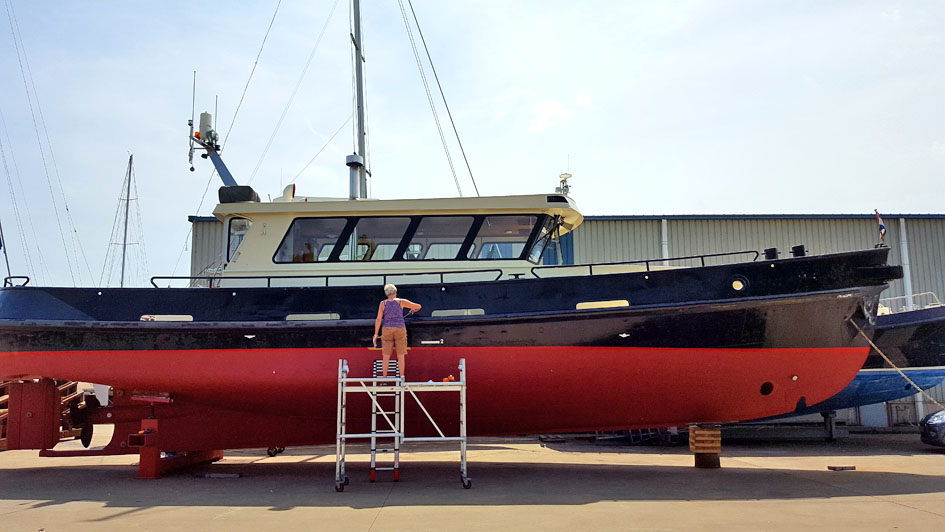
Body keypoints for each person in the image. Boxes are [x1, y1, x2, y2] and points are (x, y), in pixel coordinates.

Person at [373, 284, 421, 379]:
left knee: (386, 357)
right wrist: (413, 309)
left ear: (386, 294)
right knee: (401, 356)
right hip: (400, 329)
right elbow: (418, 306)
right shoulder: (401, 302)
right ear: (395, 292)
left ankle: (384, 379)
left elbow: (378, 319)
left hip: (387, 329)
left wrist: (375, 334)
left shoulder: (383, 303)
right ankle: (402, 377)